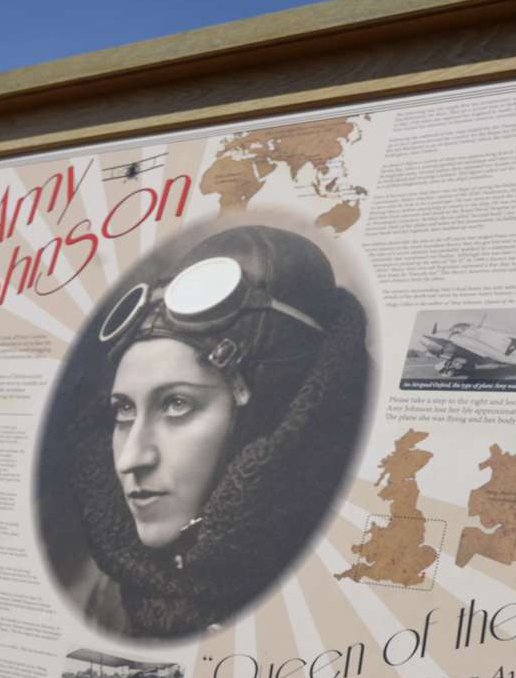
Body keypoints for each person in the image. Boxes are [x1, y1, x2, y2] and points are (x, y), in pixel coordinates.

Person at [38, 224, 371, 640]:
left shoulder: (345, 588)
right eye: (123, 410)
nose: (130, 459)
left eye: (177, 404)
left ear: (271, 415)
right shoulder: (112, 594)